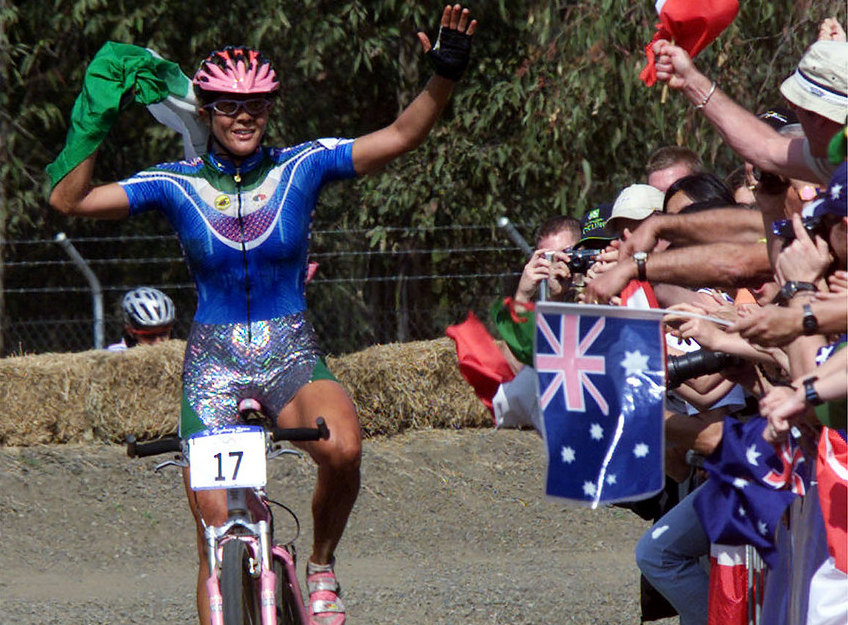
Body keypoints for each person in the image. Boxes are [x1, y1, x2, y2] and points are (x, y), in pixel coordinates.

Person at [48, 6, 478, 625]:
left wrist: (444, 75)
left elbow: (402, 135)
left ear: (272, 107)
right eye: (226, 104)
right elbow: (71, 199)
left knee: (345, 448)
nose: (243, 115)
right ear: (205, 111)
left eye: (257, 103)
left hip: (290, 356)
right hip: (213, 372)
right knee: (216, 540)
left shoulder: (303, 165)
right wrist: (99, 114)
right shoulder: (173, 182)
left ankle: (322, 564)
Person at [106, 286, 176, 351]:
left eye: (164, 334)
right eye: (149, 336)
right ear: (130, 331)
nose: (158, 344)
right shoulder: (115, 355)